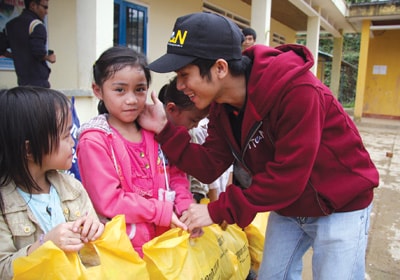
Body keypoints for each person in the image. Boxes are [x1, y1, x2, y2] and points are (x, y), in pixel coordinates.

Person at [138, 12, 379, 279]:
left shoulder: (297, 91)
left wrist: (217, 210)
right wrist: (164, 129)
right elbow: (209, 166)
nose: (180, 86)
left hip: (341, 203)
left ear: (220, 68)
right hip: (290, 206)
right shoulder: (222, 106)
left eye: (185, 74)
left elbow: (288, 177)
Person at [76, 46, 194, 257]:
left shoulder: (154, 131)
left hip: (166, 244)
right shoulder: (95, 141)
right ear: (97, 90)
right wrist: (161, 211)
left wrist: (186, 208)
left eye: (139, 89)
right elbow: (109, 201)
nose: (131, 99)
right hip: (124, 253)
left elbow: (176, 174)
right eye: (120, 90)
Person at [0, 86, 104, 280]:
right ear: (29, 150)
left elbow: (95, 259)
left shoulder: (73, 188)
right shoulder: (4, 202)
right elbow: (4, 270)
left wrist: (96, 232)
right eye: (65, 135)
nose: (73, 142)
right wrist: (44, 243)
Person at [159, 76, 233, 203]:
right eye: (193, 120)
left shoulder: (188, 134)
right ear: (171, 109)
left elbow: (181, 177)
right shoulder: (150, 134)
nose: (197, 125)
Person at [2, 0, 55, 88]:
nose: (46, 12)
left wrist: (16, 55)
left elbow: (2, 49)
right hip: (39, 84)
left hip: (22, 83)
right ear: (33, 5)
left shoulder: (10, 26)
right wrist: (49, 57)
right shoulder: (36, 25)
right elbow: (39, 53)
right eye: (45, 7)